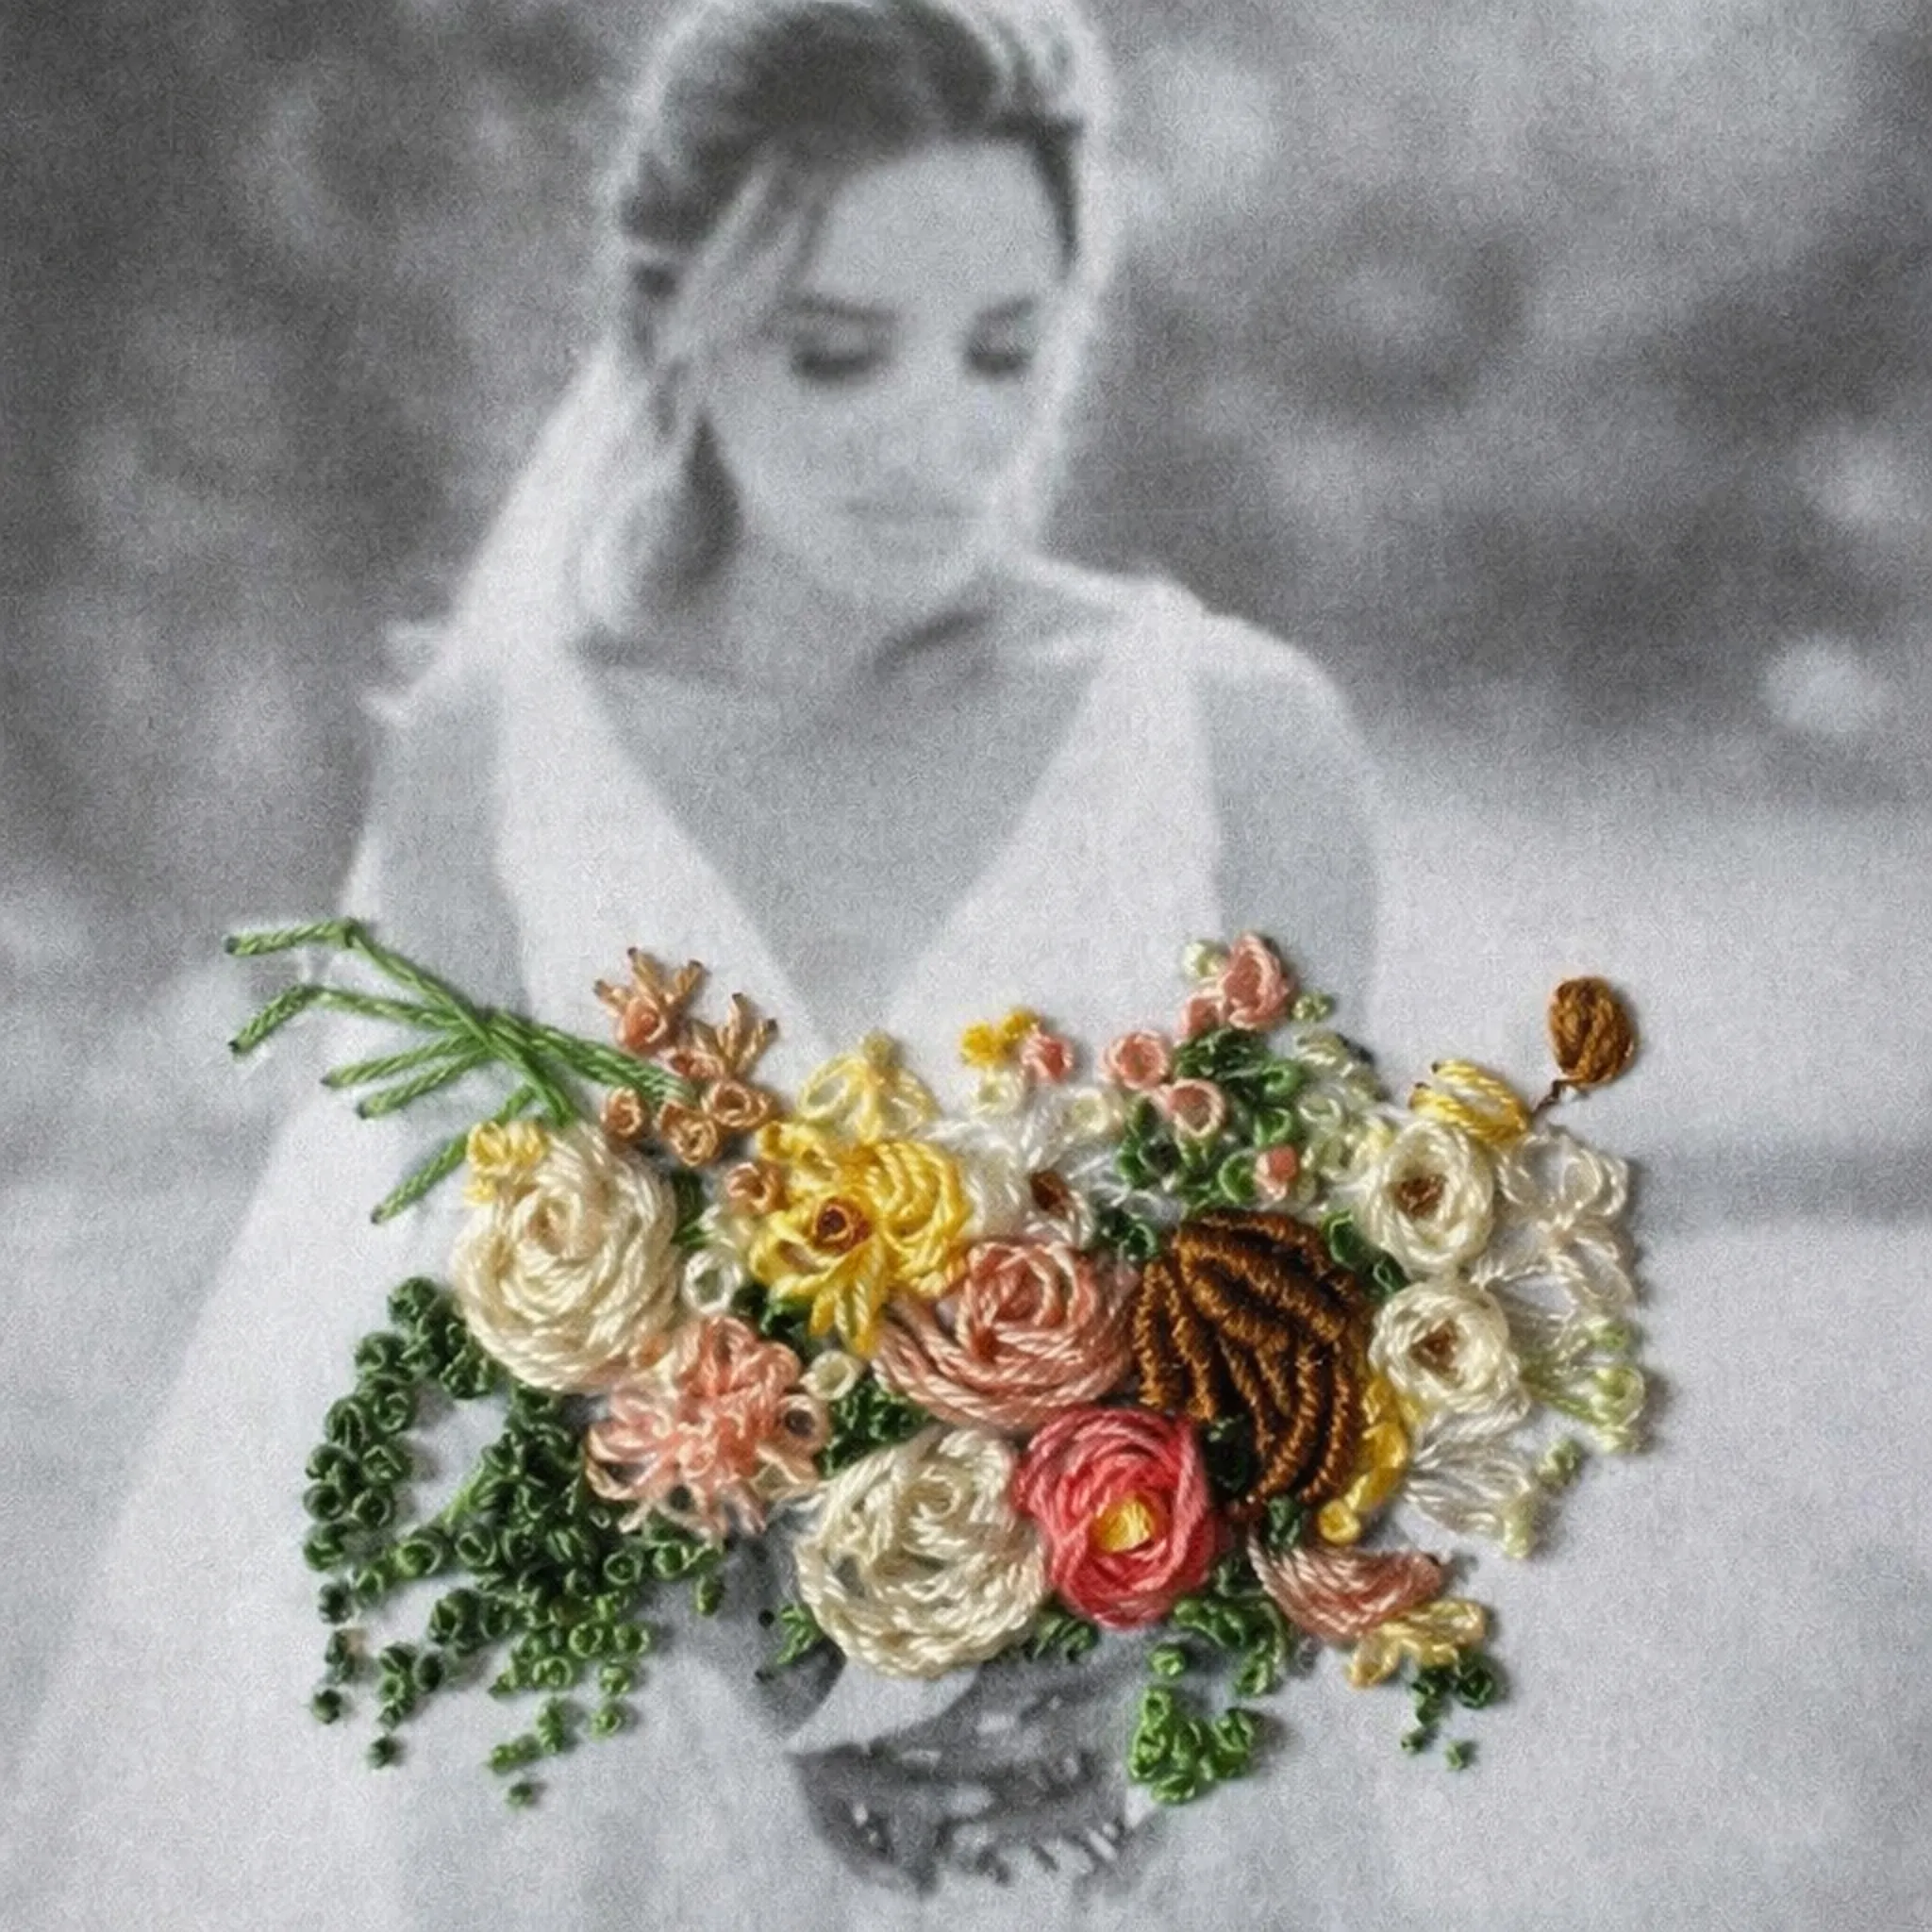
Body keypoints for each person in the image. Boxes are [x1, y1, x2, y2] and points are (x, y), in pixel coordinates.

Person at [0, 0, 1376, 1921]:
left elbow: (1310, 1333)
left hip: (1111, 1781)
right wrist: (797, 1649)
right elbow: (472, 1341)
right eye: (836, 350)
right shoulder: (493, 759)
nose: (937, 435)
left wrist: (1139, 1644)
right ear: (676, 325)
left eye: (1003, 349)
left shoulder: (1236, 735)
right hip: (626, 1784)